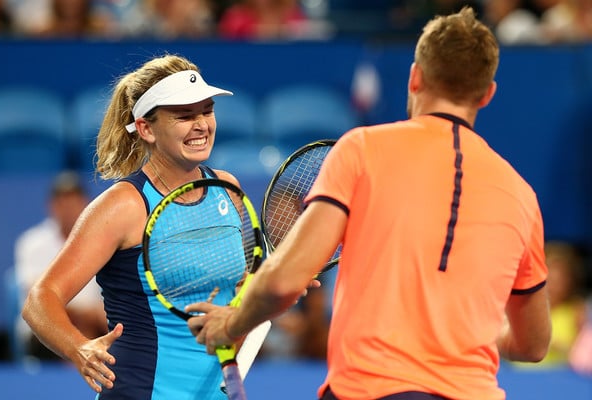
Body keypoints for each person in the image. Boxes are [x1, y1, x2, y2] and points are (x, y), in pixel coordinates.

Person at [186, 7, 552, 400]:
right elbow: (533, 345)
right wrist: (463, 334)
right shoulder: (521, 195)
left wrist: (230, 325)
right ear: (487, 93)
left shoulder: (362, 149)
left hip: (369, 390)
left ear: (415, 77)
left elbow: (285, 280)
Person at [21, 54, 239, 399]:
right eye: (185, 116)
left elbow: (240, 288)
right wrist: (80, 348)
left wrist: (279, 285)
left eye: (207, 111)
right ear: (146, 128)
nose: (201, 125)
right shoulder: (123, 206)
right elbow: (40, 299)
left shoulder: (227, 188)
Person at [14, 170, 106, 360]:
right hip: (45, 330)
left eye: (73, 201)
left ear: (86, 204)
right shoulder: (32, 243)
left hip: (95, 326)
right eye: (62, 202)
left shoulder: (102, 239)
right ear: (52, 206)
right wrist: (84, 314)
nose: (68, 208)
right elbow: (35, 299)